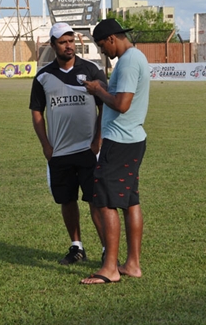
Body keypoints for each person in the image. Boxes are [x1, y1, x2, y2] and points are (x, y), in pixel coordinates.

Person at [29, 22, 108, 265]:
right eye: (63, 42)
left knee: (97, 200)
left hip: (88, 150)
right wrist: (46, 145)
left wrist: (98, 140)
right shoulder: (43, 77)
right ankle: (77, 248)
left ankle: (108, 250)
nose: (69, 46)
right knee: (67, 200)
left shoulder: (92, 70)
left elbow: (105, 105)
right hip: (59, 152)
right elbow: (36, 112)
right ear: (53, 45)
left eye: (71, 41)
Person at [80, 19, 150, 284]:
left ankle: (109, 268)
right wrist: (104, 90)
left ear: (111, 39)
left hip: (120, 143)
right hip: (132, 140)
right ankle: (132, 264)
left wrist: (99, 89)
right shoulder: (135, 58)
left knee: (105, 201)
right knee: (131, 201)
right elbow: (122, 98)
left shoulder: (129, 61)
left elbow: (122, 104)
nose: (102, 52)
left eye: (101, 46)